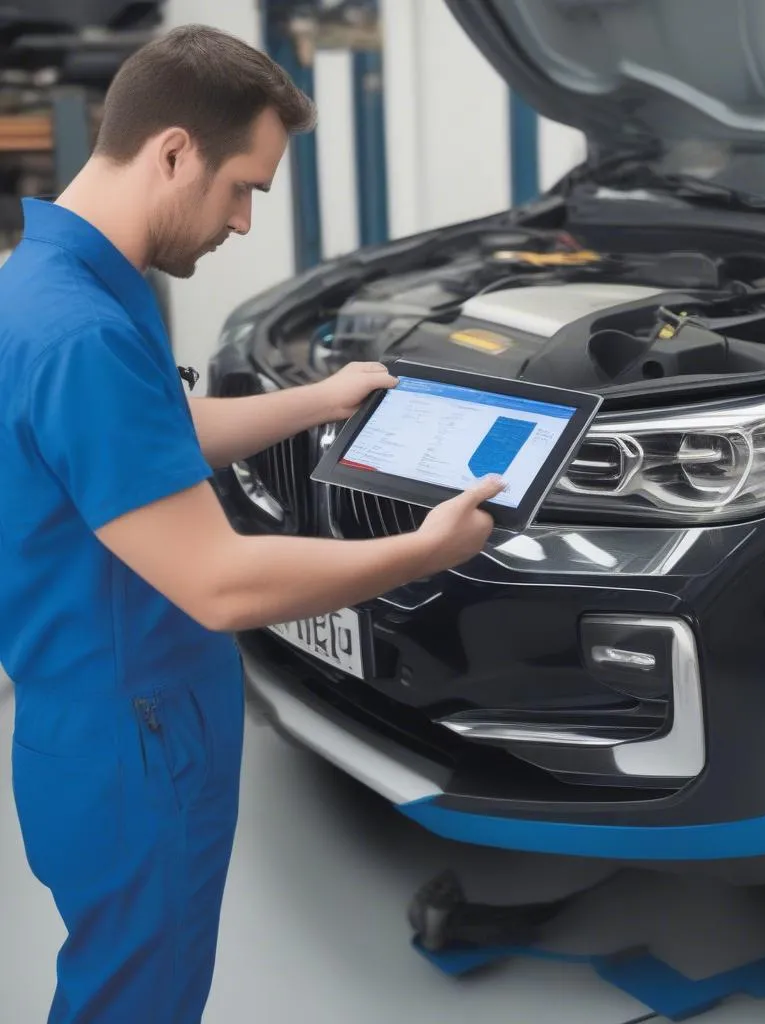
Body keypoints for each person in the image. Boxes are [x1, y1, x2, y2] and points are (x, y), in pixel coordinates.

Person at [0, 23, 503, 1024]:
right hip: (140, 739)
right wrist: (419, 551)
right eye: (243, 189)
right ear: (175, 150)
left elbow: (158, 429)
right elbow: (218, 580)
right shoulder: (86, 330)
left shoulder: (44, 283)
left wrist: (321, 399)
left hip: (85, 724)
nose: (241, 223)